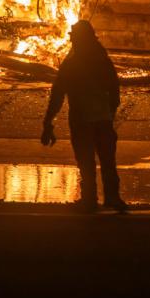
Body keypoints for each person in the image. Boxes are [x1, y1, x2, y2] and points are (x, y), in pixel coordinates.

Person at [41, 20, 127, 213]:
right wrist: (110, 112)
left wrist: (48, 121)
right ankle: (112, 198)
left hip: (82, 119)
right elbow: (114, 89)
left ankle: (90, 199)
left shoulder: (73, 62)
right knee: (107, 162)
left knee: (86, 161)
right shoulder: (101, 58)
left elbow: (58, 92)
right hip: (102, 119)